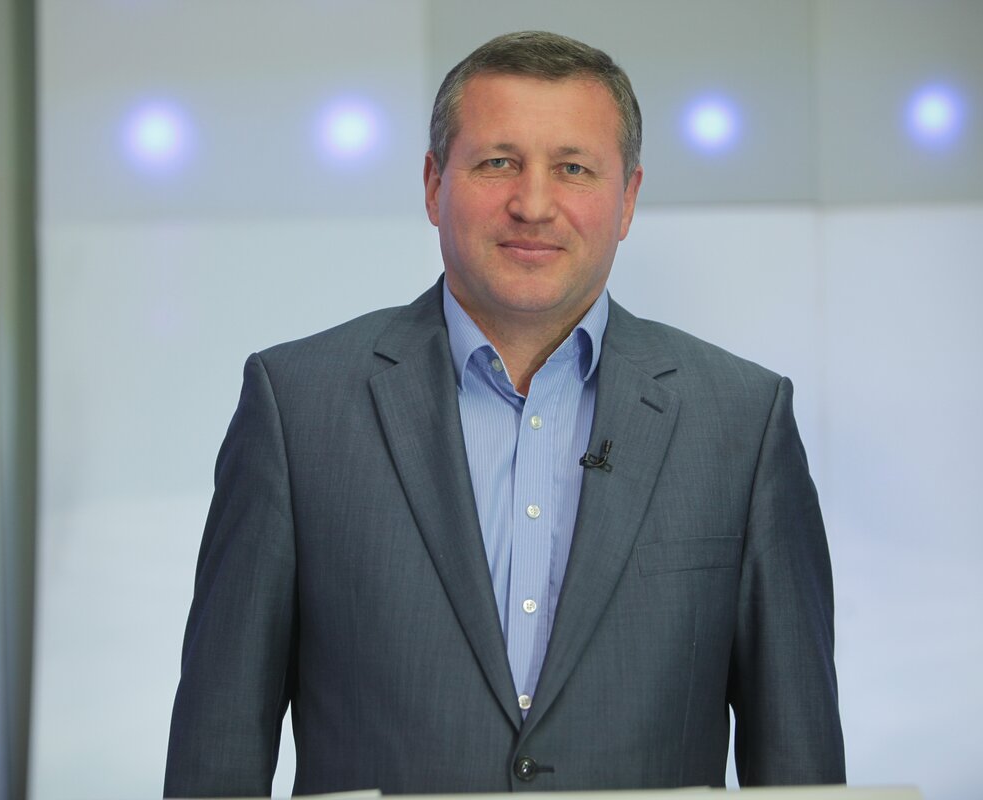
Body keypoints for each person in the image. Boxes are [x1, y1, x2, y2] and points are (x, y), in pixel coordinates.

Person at [164, 30, 844, 797]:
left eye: (574, 168)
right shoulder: (296, 405)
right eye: (497, 163)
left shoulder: (743, 421)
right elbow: (219, 746)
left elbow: (800, 767)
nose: (533, 204)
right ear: (433, 184)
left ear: (627, 199)